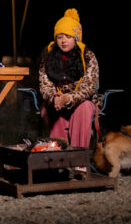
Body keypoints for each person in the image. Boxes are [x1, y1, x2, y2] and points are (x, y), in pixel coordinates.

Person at [38, 8, 102, 148]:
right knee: (53, 110)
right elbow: (44, 83)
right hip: (57, 99)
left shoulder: (87, 56)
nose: (63, 41)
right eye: (60, 37)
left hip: (82, 100)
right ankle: (59, 157)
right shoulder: (48, 56)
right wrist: (54, 98)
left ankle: (78, 156)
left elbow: (89, 87)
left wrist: (68, 98)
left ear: (76, 38)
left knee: (83, 109)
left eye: (68, 36)